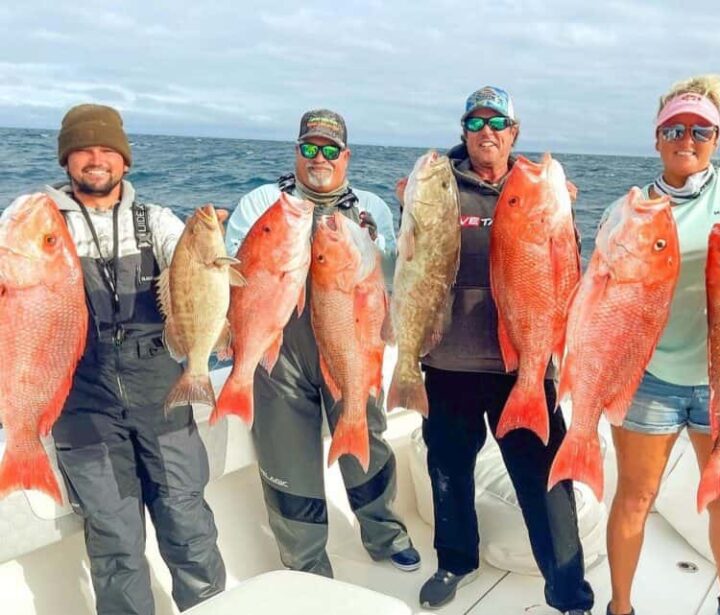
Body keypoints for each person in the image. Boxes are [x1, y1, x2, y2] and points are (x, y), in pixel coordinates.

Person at [8, 104, 227, 614]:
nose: (96, 159)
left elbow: (200, 275)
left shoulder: (161, 222)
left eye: (107, 149)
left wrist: (214, 253)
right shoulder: (38, 221)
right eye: (83, 149)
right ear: (66, 160)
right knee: (114, 540)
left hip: (162, 396)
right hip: (83, 407)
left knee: (188, 524)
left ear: (125, 161)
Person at [406, 86, 594, 613]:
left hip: (525, 368)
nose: (486, 131)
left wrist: (566, 218)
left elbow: (565, 276)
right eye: (475, 122)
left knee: (546, 483)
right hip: (448, 364)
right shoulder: (440, 185)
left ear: (514, 133)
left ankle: (568, 591)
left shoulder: (539, 188)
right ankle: (454, 561)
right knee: (448, 471)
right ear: (463, 130)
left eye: (498, 123)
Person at [225, 109, 420, 578]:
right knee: (286, 459)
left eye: (330, 149)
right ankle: (307, 563)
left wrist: (408, 223)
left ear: (346, 156)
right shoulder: (261, 203)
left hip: (350, 341)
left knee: (367, 439)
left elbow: (396, 277)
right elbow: (235, 280)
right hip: (280, 356)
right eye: (309, 147)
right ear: (296, 152)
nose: (319, 157)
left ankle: (384, 533)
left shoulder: (369, 207)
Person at [605, 75, 720, 615]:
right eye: (674, 128)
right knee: (634, 497)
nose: (687, 138)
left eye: (702, 129)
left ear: (718, 138)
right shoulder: (632, 209)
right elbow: (601, 298)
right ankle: (621, 607)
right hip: (651, 376)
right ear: (656, 137)